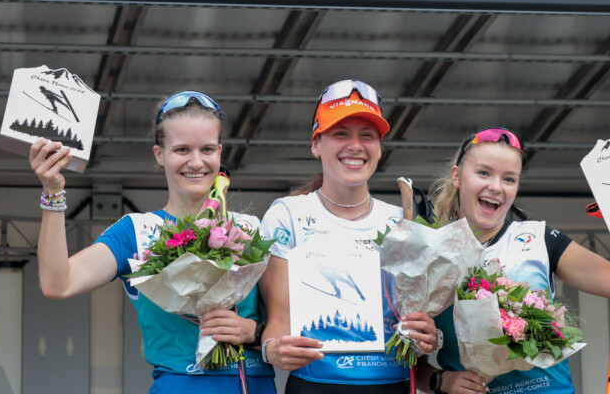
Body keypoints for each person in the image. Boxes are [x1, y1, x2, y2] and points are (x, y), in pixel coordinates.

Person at [415, 127, 610, 394]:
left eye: (509, 178)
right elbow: (406, 356)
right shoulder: (427, 254)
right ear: (457, 176)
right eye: (484, 173)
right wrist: (441, 381)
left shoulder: (538, 238)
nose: (496, 187)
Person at [29, 90, 275, 394]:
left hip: (255, 384)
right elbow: (58, 283)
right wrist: (53, 193)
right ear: (160, 154)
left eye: (207, 149)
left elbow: (291, 323)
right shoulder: (137, 231)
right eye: (182, 149)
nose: (196, 162)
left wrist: (254, 332)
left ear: (220, 153)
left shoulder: (252, 228)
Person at [258, 79, 440, 394]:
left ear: (380, 148)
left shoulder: (404, 222)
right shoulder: (287, 215)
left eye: (367, 135)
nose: (355, 146)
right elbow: (278, 321)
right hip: (314, 385)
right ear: (316, 144)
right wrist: (272, 348)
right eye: (341, 133)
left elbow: (417, 328)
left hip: (392, 386)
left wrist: (428, 335)